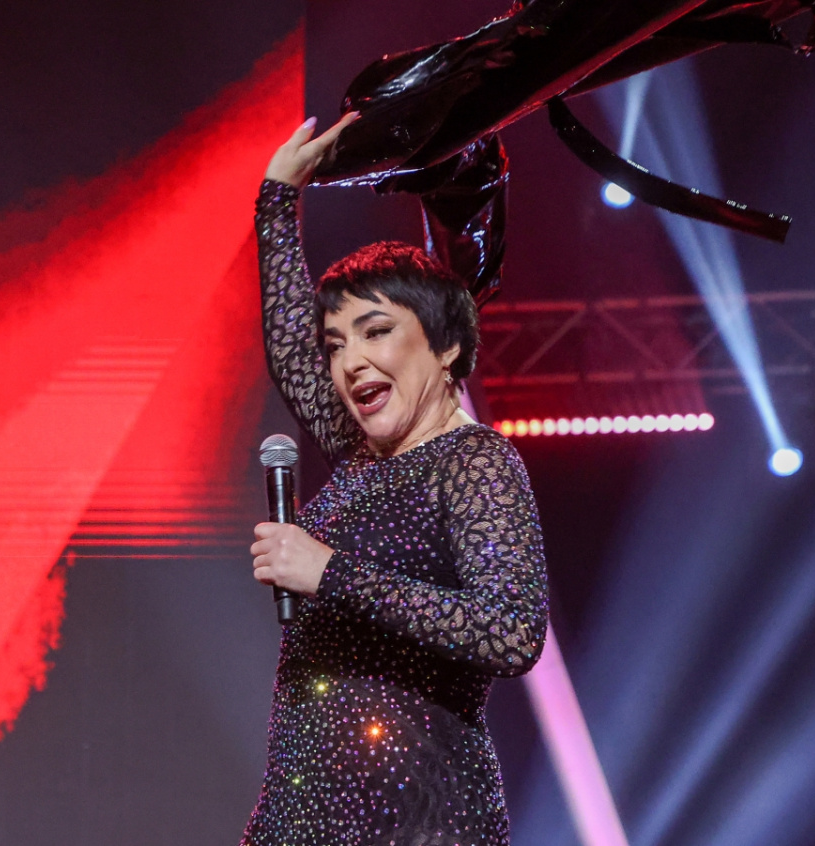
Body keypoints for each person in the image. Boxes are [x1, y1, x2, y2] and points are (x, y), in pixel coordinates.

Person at [243, 113, 548, 846]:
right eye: (336, 344)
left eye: (376, 332)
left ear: (445, 346)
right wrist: (277, 199)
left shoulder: (474, 462)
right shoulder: (362, 456)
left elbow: (511, 632)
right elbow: (290, 351)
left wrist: (331, 573)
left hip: (418, 820)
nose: (349, 362)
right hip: (303, 816)